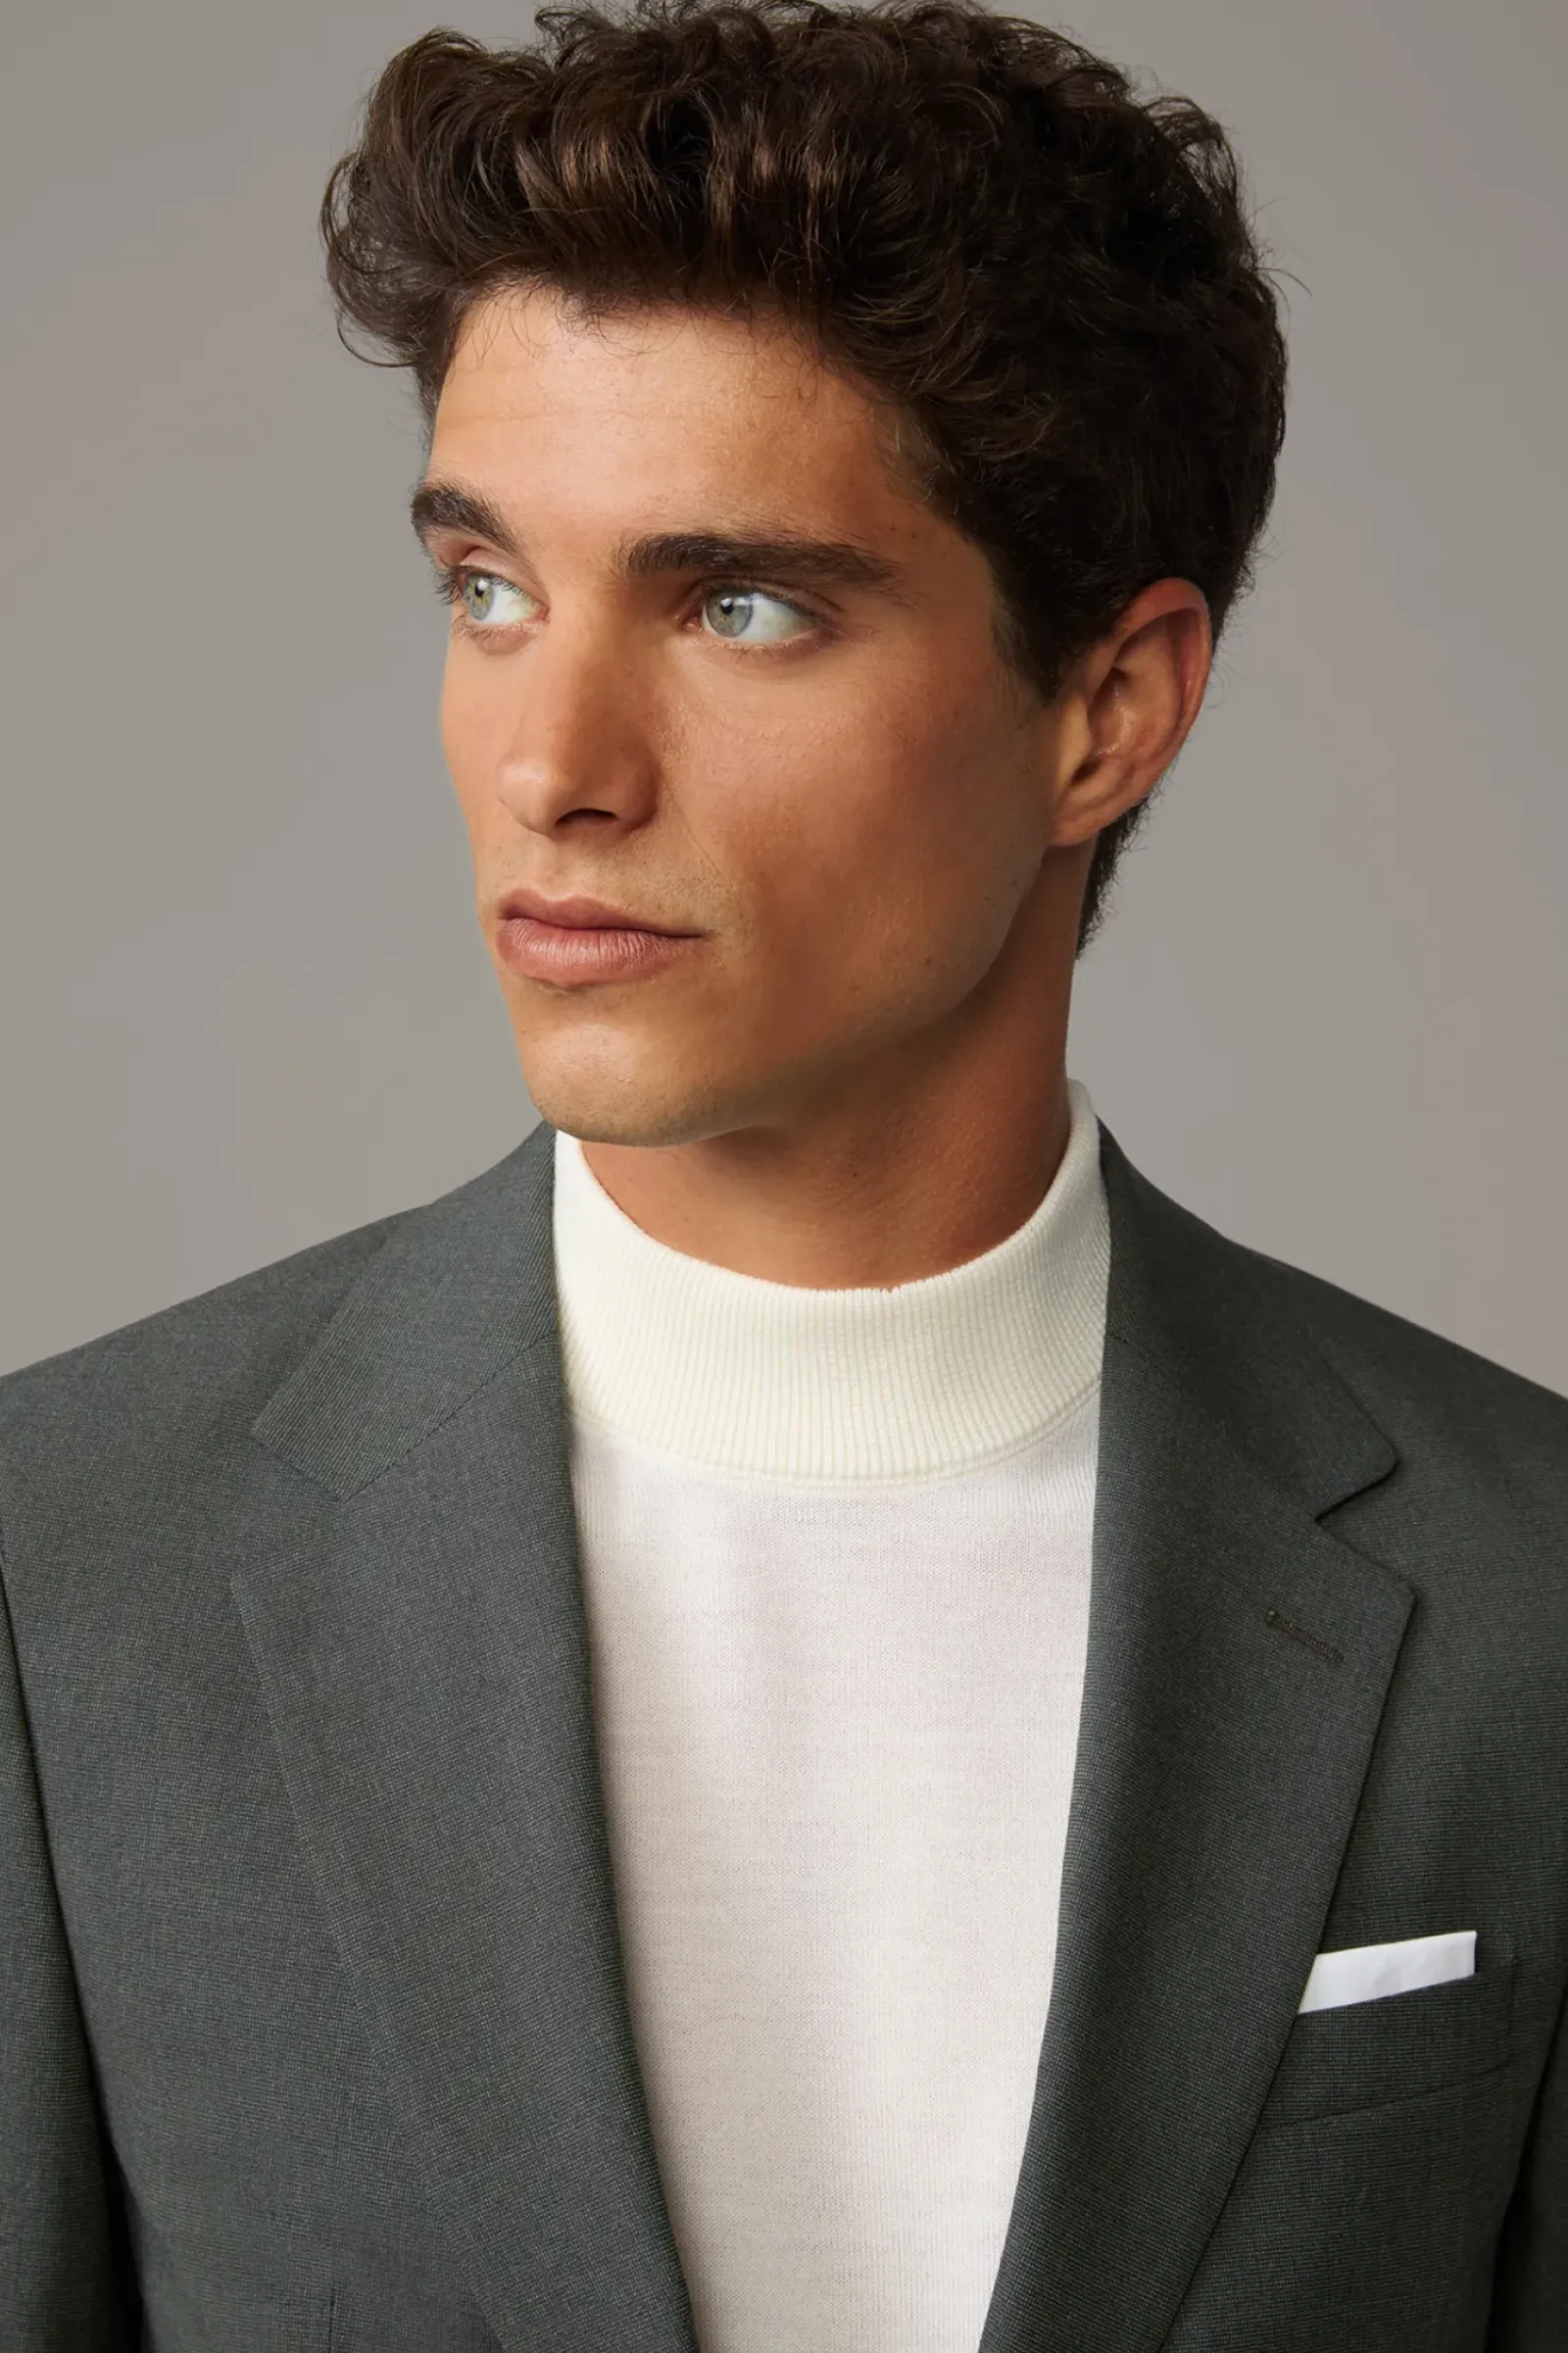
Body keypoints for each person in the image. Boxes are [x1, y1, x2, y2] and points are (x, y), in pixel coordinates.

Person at [2, 0, 1563, 2344]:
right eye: (486, 587)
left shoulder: (1520, 1602)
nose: (551, 763)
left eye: (738, 606)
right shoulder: (64, 1577)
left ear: (1105, 710)